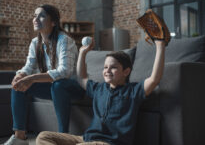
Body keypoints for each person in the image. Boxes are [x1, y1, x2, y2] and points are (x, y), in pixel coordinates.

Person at [35, 28, 167, 145]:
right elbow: (82, 78)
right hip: (86, 139)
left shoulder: (133, 91)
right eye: (105, 67)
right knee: (43, 137)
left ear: (126, 72)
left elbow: (154, 79)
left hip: (109, 143)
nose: (107, 70)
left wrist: (160, 46)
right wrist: (83, 52)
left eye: (113, 67)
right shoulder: (99, 89)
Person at [3, 4, 85, 145]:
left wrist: (33, 78)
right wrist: (21, 75)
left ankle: (62, 137)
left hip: (74, 88)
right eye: (35, 15)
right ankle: (20, 137)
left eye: (41, 15)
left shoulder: (64, 40)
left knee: (58, 85)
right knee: (19, 85)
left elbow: (64, 72)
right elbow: (29, 66)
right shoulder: (35, 42)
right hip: (54, 87)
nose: (36, 18)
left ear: (53, 22)